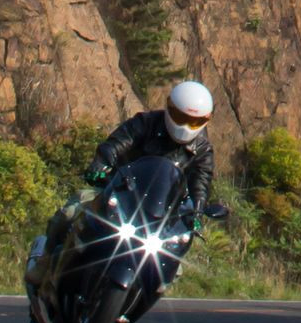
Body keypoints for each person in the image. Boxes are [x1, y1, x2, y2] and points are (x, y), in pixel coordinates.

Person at [83, 79, 229, 225]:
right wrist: (101, 163)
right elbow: (117, 143)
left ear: (205, 120)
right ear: (169, 108)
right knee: (76, 207)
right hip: (119, 194)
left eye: (194, 122)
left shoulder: (202, 150)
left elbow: (200, 184)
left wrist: (197, 211)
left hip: (162, 217)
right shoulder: (146, 123)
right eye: (180, 117)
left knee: (182, 237)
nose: (186, 126)